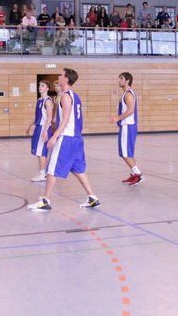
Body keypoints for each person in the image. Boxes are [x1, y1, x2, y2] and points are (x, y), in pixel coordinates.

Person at [27, 68, 100, 211]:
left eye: (61, 75)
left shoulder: (66, 97)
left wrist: (54, 136)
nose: (59, 77)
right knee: (78, 169)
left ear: (66, 79)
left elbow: (66, 120)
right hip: (77, 139)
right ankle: (92, 197)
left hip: (66, 138)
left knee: (52, 169)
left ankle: (45, 201)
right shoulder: (75, 96)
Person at [110, 72, 144, 186]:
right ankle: (134, 174)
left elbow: (131, 110)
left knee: (124, 153)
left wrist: (117, 118)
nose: (119, 81)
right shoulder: (127, 93)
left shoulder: (128, 94)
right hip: (128, 126)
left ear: (127, 81)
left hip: (128, 126)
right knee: (127, 152)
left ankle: (137, 173)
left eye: (121, 79)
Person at [26, 81, 55, 182]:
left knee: (41, 152)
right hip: (38, 127)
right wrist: (29, 126)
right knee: (39, 152)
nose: (40, 87)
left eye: (42, 86)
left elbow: (50, 117)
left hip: (44, 127)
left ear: (47, 88)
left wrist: (45, 131)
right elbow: (36, 116)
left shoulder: (48, 101)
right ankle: (43, 172)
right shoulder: (39, 100)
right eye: (39, 85)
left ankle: (42, 174)